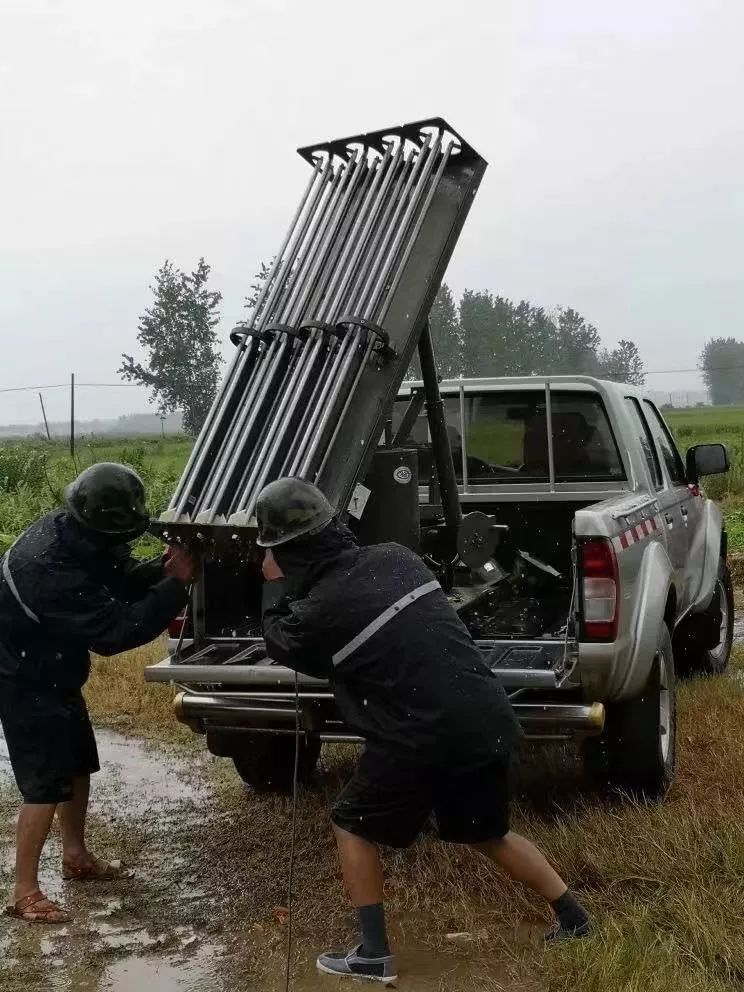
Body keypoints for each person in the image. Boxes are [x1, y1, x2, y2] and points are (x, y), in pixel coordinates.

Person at [258, 477, 591, 985]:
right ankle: (574, 916)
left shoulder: (318, 612)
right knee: (488, 832)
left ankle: (373, 955)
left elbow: (282, 641)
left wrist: (273, 585)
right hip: (486, 717)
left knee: (351, 823)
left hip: (421, 734)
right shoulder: (398, 558)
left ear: (287, 551)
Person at [0, 463, 197, 924]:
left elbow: (116, 574)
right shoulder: (48, 568)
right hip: (22, 678)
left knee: (77, 763)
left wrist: (161, 571)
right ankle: (24, 891)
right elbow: (115, 632)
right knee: (44, 782)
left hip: (54, 669)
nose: (121, 542)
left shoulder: (70, 529)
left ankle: (75, 856)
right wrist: (177, 584)